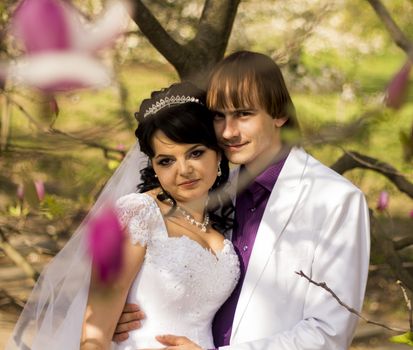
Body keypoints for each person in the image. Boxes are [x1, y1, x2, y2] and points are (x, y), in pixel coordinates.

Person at [115, 51, 371, 350]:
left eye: (243, 114)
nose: (228, 132)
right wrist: (124, 309)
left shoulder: (336, 200)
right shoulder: (209, 189)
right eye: (219, 116)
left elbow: (329, 333)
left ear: (279, 114)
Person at [6, 82, 240, 350]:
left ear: (219, 154)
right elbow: (95, 333)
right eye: (166, 161)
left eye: (195, 153)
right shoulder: (138, 214)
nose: (183, 170)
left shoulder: (221, 225)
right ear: (153, 166)